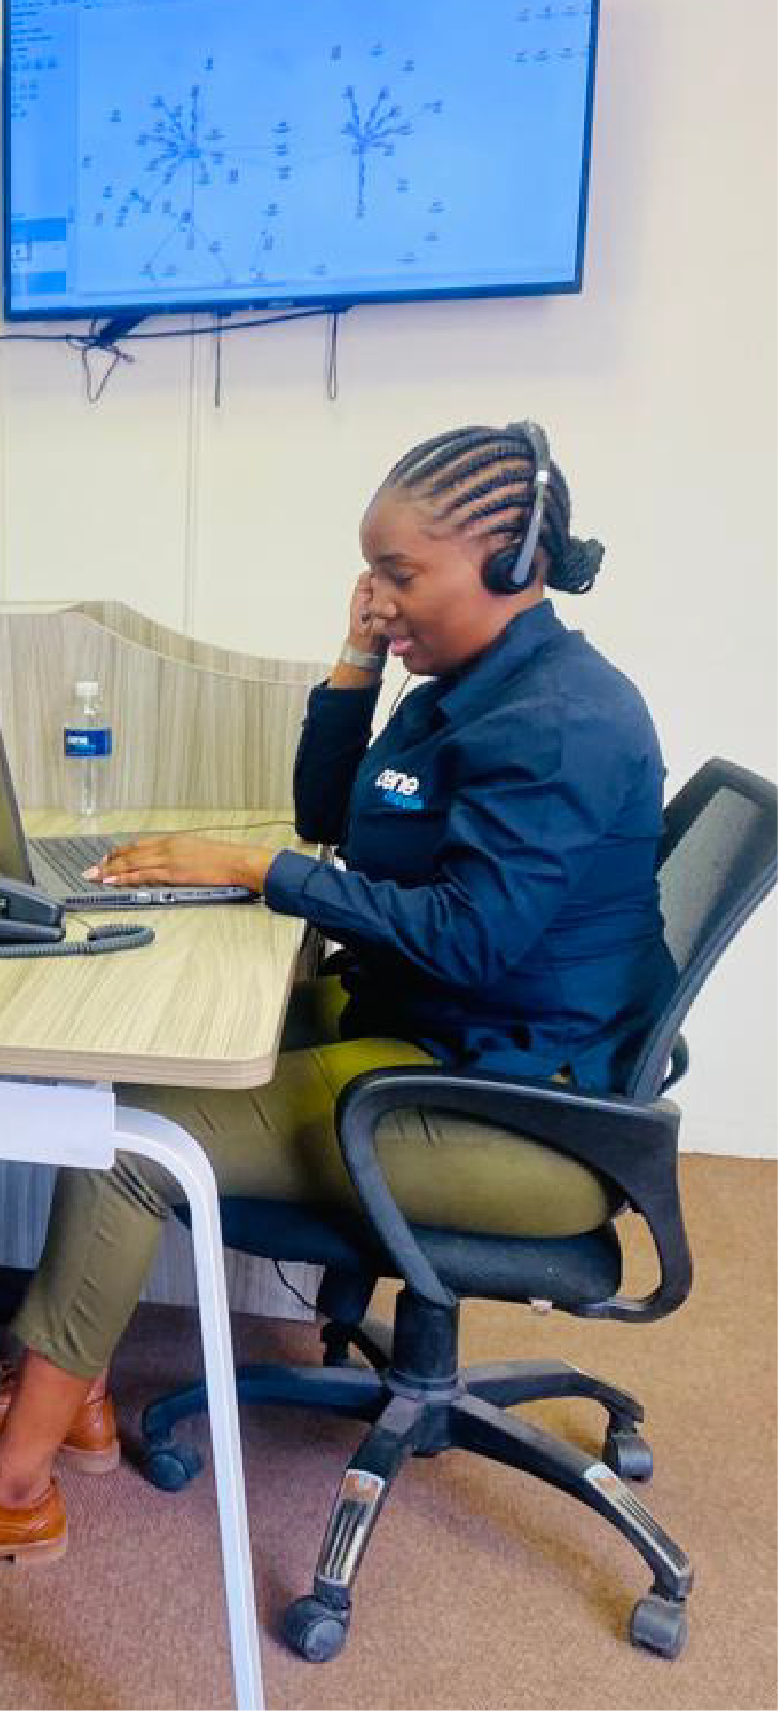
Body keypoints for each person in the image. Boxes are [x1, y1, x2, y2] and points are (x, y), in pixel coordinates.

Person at [0, 419, 675, 1560]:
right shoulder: (466, 683)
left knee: (127, 1135)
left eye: (402, 573)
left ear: (510, 564)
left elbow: (465, 939)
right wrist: (355, 662)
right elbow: (329, 815)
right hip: (449, 1033)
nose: (379, 593)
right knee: (115, 1069)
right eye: (371, 570)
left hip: (517, 1105)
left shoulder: (557, 721)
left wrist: (263, 871)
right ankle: (83, 1397)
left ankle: (18, 1477)